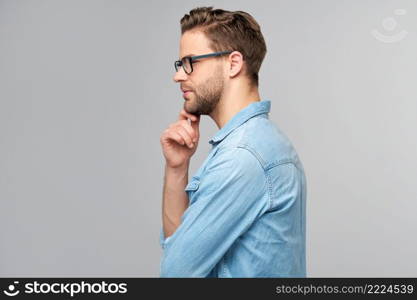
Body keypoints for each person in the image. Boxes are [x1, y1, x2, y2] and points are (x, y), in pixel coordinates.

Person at [159, 6, 307, 277]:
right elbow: (179, 248)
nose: (178, 75)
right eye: (180, 65)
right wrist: (177, 168)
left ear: (233, 63)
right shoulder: (259, 143)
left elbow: (176, 275)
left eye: (190, 62)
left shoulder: (244, 155)